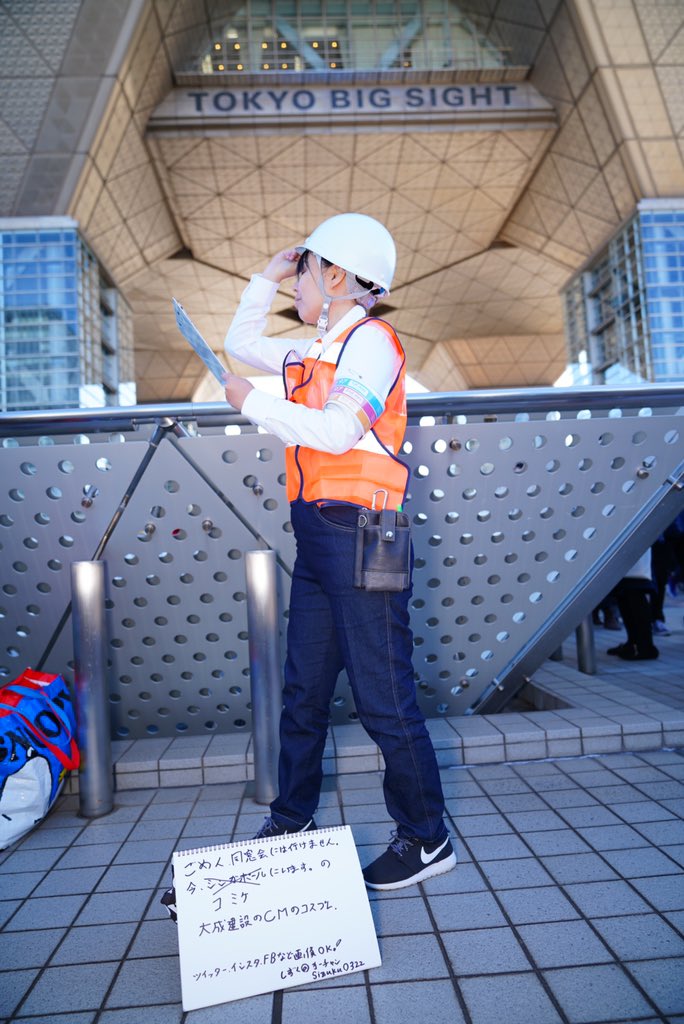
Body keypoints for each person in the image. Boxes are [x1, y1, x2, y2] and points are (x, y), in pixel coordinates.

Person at [221, 213, 456, 891]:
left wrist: (250, 406)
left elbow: (334, 430)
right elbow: (240, 344)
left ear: (336, 277)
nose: (296, 284)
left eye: (303, 271)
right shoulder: (316, 351)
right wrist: (265, 277)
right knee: (304, 693)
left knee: (384, 699)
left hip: (361, 536)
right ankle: (290, 818)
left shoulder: (373, 343)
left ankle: (427, 836)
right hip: (322, 538)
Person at [607, 549, 659, 661]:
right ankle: (634, 643)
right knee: (625, 595)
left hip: (634, 553)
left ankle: (644, 646)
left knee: (634, 593)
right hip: (628, 556)